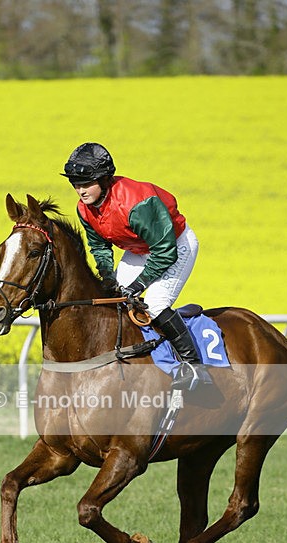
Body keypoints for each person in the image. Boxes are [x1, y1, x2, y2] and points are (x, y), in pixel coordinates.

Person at [61, 142, 210, 389]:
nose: (80, 190)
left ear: (104, 179)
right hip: (139, 249)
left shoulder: (136, 204)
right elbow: (99, 246)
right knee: (114, 300)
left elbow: (164, 252)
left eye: (86, 183)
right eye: (75, 184)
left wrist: (140, 283)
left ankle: (194, 367)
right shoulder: (84, 209)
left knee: (155, 303)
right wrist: (107, 276)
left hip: (174, 245)